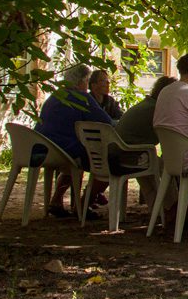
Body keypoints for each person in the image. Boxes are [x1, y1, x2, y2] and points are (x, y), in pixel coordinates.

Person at [35, 64, 113, 218]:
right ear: (82, 81)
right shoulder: (82, 97)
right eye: (87, 81)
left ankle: (56, 200)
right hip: (65, 149)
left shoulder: (55, 96)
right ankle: (83, 204)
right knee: (108, 161)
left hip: (42, 148)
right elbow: (106, 122)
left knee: (74, 161)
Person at [114, 75, 178, 211]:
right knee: (167, 168)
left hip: (119, 154)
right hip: (130, 156)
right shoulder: (156, 110)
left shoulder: (148, 105)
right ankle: (172, 208)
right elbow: (168, 139)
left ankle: (158, 210)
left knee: (154, 166)